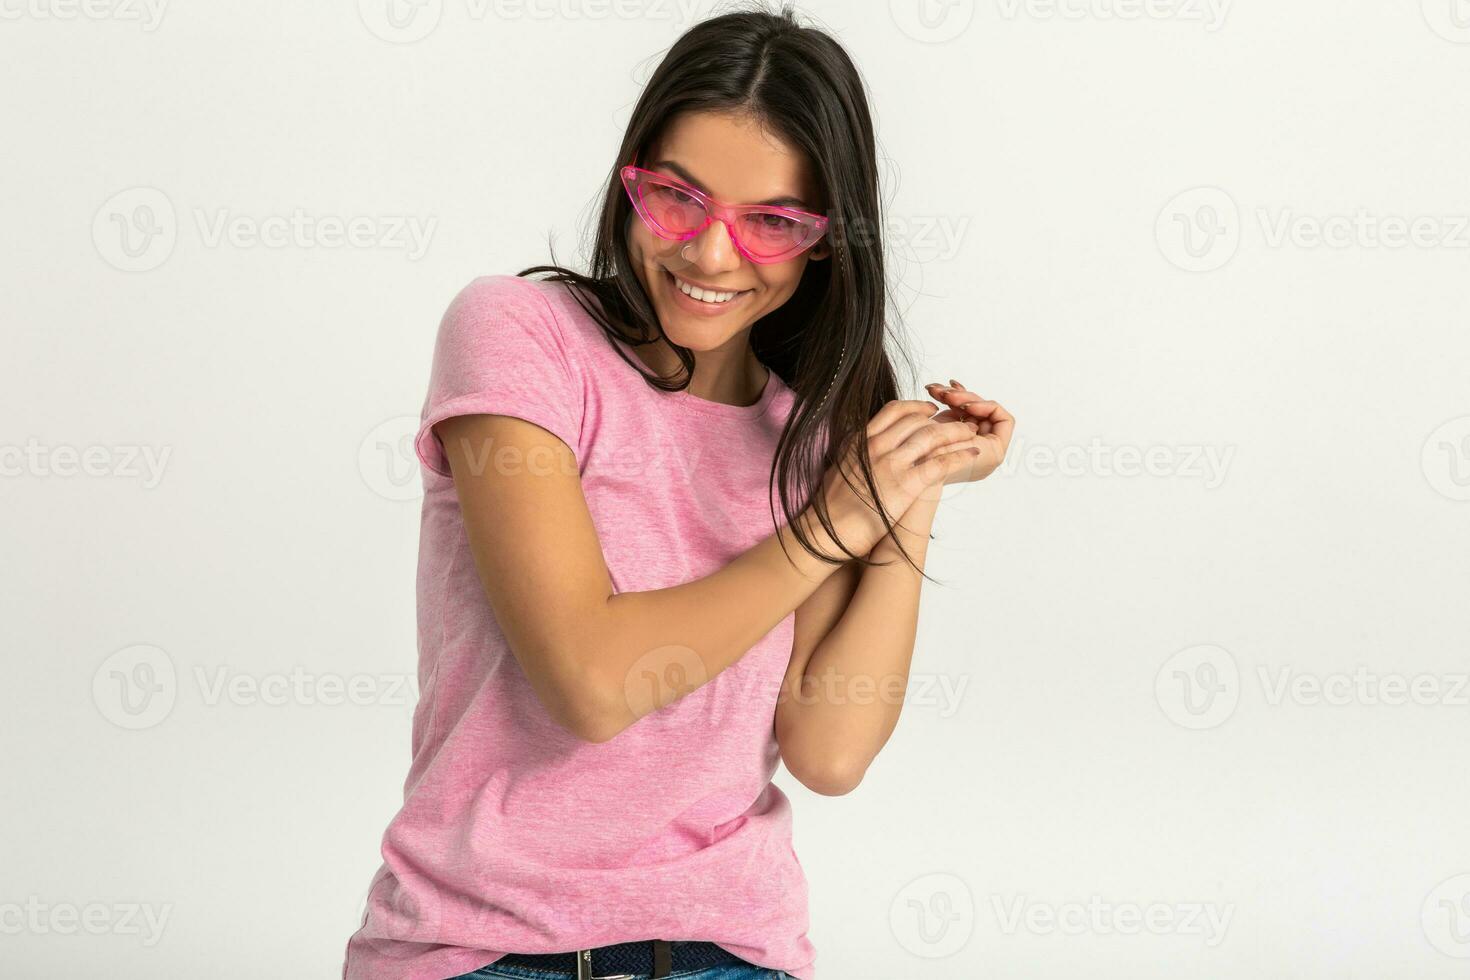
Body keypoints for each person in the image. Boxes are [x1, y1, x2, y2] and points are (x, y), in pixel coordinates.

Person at [342, 5, 1014, 979]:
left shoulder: (810, 432)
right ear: (632, 177)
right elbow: (595, 682)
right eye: (676, 198)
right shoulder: (519, 335)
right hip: (480, 947)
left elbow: (827, 750)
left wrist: (909, 489)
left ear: (827, 238)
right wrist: (835, 524)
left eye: (772, 222)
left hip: (729, 947)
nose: (708, 255)